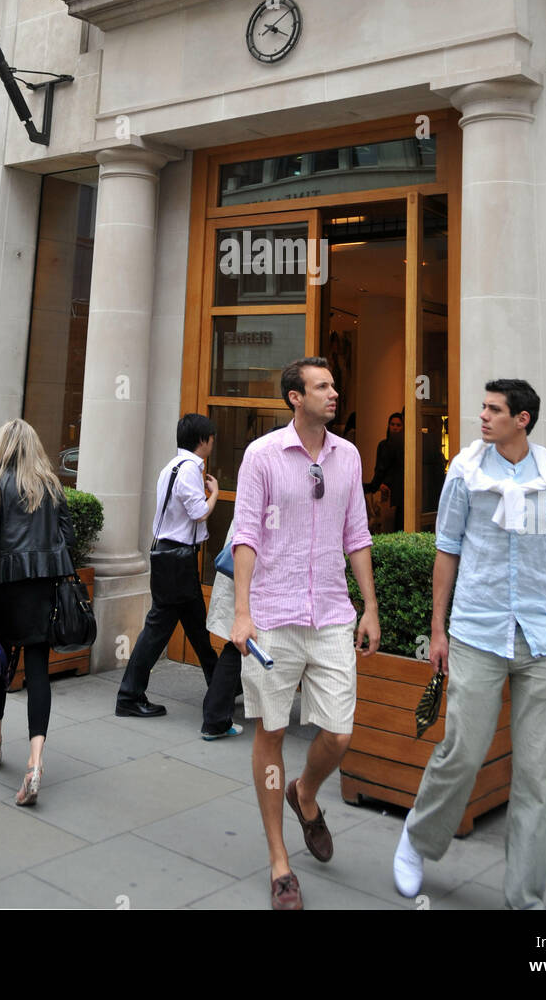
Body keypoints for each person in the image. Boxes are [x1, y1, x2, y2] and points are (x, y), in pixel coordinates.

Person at [393, 379, 546, 911]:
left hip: (541, 641)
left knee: (536, 774)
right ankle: (417, 839)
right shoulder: (464, 471)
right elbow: (446, 549)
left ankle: (524, 897)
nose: (482, 416)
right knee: (462, 754)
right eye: (482, 407)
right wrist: (438, 630)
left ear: (522, 419)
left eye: (494, 409)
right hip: (478, 633)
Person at [231, 356, 380, 911]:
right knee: (270, 733)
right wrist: (242, 614)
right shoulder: (262, 455)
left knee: (338, 733)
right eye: (321, 386)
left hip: (333, 614)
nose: (333, 392)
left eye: (334, 384)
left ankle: (306, 793)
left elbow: (357, 534)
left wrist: (369, 606)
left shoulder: (348, 455)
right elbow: (244, 534)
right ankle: (279, 863)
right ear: (295, 397)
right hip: (272, 613)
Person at [0, 419, 77, 807]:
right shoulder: (51, 486)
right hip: (42, 588)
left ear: (1, 446)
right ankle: (35, 762)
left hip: (4, 586)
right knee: (37, 670)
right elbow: (67, 538)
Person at [116, 413, 220, 717]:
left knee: (197, 627)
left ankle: (222, 684)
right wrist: (214, 495)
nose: (213, 442)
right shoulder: (188, 470)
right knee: (158, 629)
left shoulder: (171, 467)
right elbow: (199, 512)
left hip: (171, 557)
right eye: (211, 437)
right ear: (202, 440)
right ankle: (128, 696)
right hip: (177, 559)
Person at [200, 522, 243, 740]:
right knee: (238, 646)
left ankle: (220, 705)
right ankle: (215, 718)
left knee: (238, 646)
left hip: (244, 574)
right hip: (253, 578)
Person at [365, 411, 405, 530]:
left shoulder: (405, 445)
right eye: (392, 424)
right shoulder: (383, 445)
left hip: (397, 488)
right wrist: (377, 485)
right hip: (383, 487)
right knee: (382, 524)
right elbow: (379, 467)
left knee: (392, 523)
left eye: (398, 425)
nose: (395, 428)